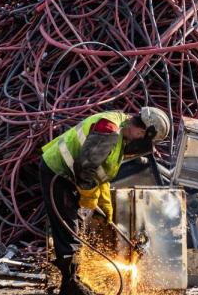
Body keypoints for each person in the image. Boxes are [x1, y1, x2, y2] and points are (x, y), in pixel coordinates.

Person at [39, 107, 171, 294]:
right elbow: (85, 168)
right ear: (141, 131)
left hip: (72, 176)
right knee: (68, 227)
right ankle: (70, 284)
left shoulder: (122, 131)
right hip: (58, 173)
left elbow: (100, 171)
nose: (137, 143)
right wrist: (89, 196)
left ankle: (72, 280)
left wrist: (104, 203)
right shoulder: (108, 130)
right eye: (142, 138)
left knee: (75, 225)